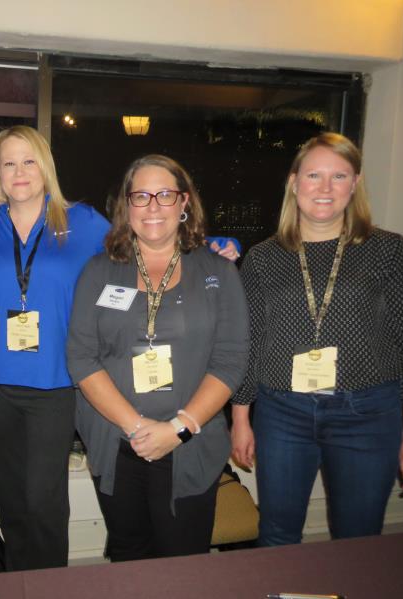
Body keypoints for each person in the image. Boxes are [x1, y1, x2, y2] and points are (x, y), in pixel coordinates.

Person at [230, 132, 403, 546]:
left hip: (367, 412)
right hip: (282, 411)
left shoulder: (389, 251)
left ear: (355, 183)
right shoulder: (263, 258)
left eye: (339, 176)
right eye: (314, 175)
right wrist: (240, 420)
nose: (325, 187)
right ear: (294, 182)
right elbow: (251, 344)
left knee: (358, 539)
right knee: (276, 534)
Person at [66, 154, 249, 561]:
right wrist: (136, 427)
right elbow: (81, 356)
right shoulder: (98, 271)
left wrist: (177, 429)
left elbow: (231, 360)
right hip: (115, 439)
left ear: (184, 202)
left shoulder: (219, 272)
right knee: (129, 557)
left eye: (165, 195)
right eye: (141, 196)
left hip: (190, 444)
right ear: (126, 205)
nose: (152, 207)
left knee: (183, 561)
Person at [0, 125, 110, 570]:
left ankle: (49, 585)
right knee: (11, 498)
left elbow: (142, 254)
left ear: (45, 166)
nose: (19, 172)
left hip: (56, 383)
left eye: (28, 161)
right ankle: (19, 583)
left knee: (44, 500)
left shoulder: (83, 222)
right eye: (9, 163)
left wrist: (206, 250)